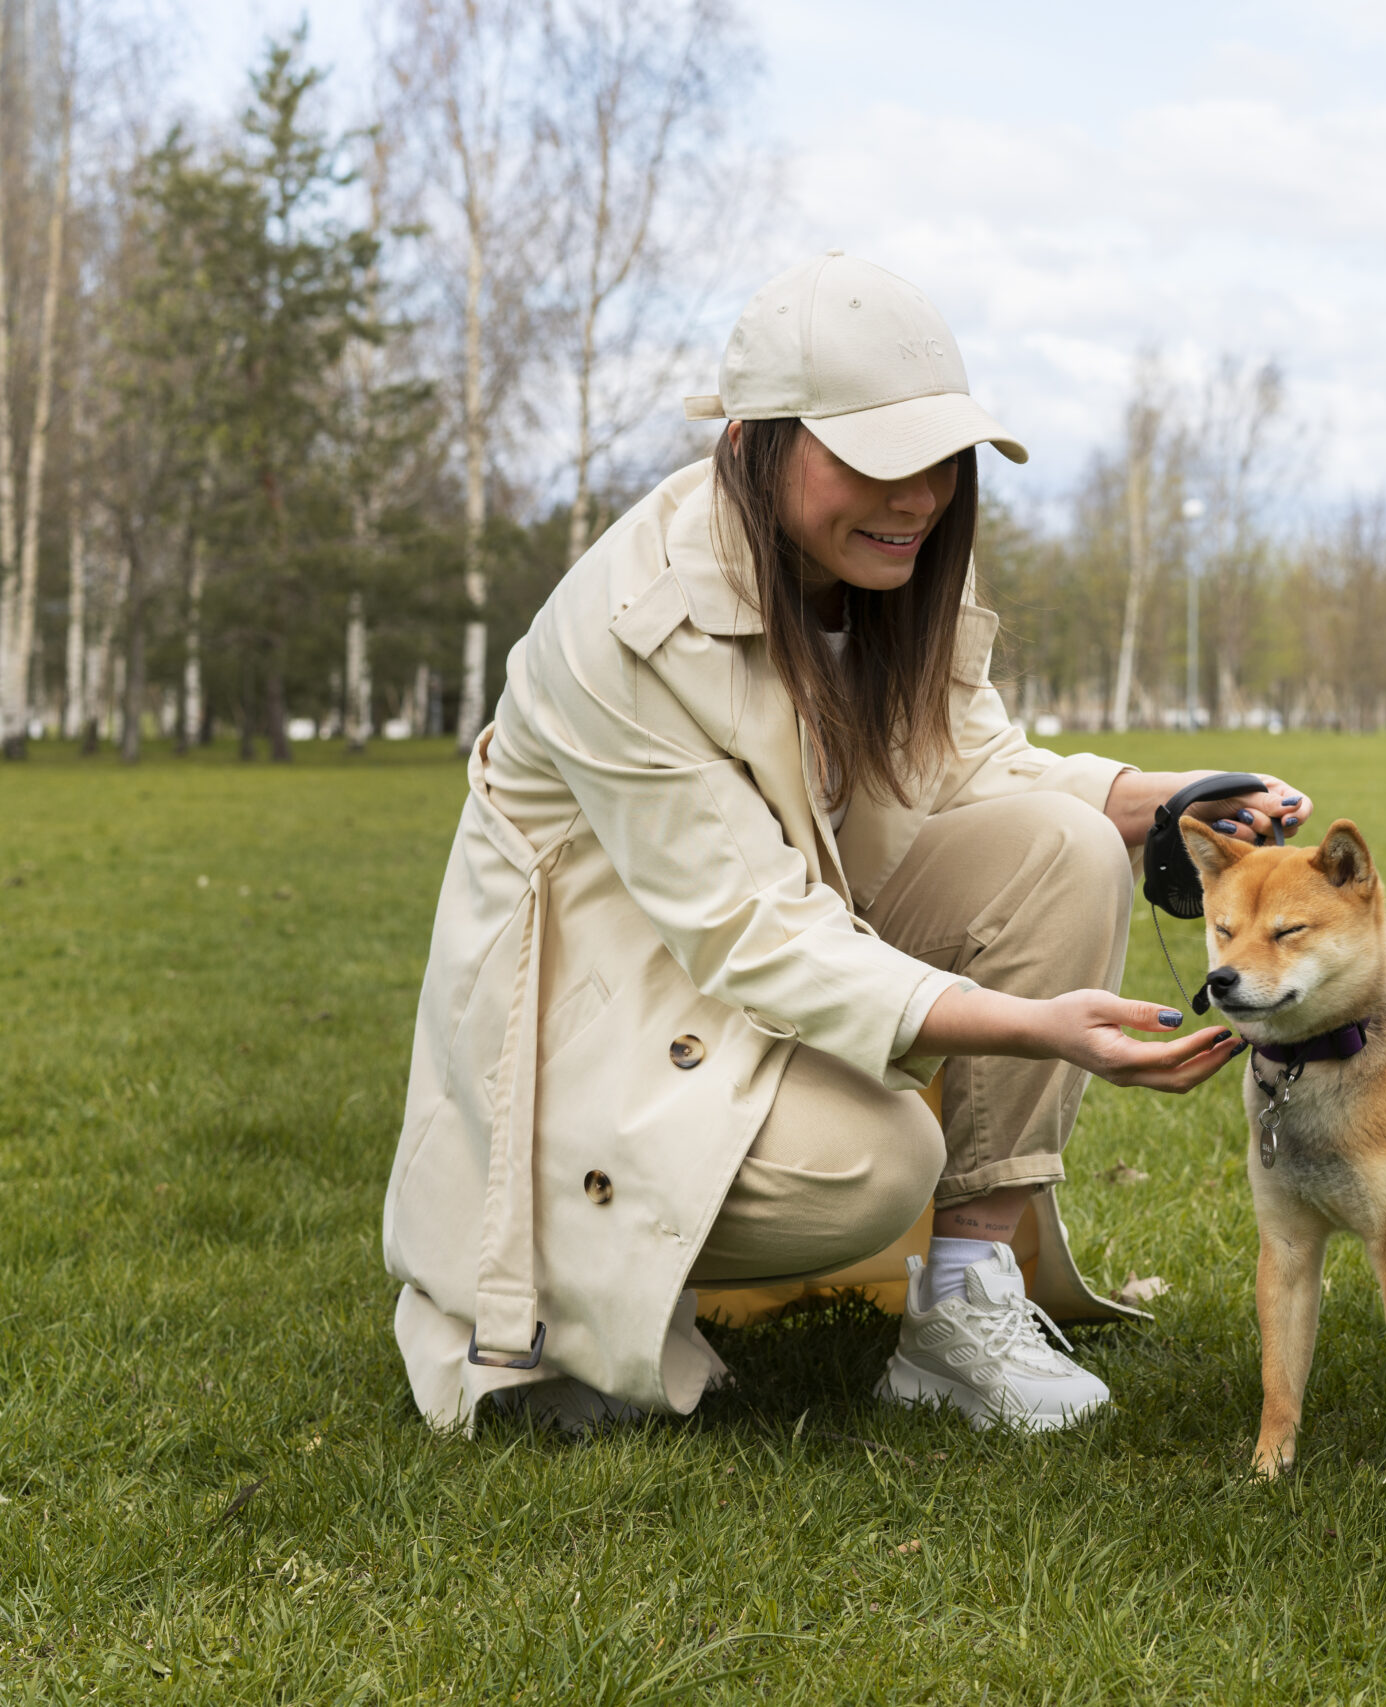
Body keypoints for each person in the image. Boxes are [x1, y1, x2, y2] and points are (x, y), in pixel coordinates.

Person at [381, 251, 1312, 1436]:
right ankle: (573, 1266)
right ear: (751, 447)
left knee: (1064, 845)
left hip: (752, 973)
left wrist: (1154, 796)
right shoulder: (630, 623)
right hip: (608, 1025)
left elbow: (972, 768)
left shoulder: (882, 563)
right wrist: (1029, 1029)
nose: (919, 494)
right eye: (877, 459)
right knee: (870, 1164)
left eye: (941, 458)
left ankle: (964, 1309)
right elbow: (751, 931)